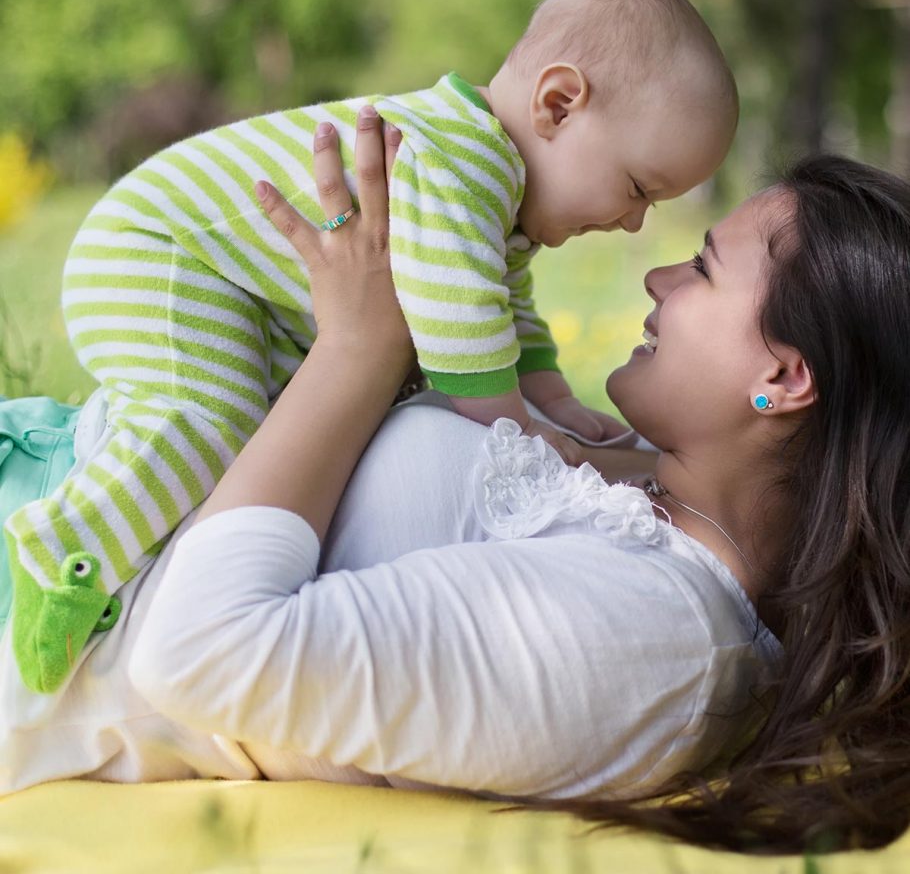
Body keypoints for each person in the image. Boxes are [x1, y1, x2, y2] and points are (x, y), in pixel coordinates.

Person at [5, 115, 909, 853]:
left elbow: (199, 651)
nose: (660, 274)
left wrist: (358, 348)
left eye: (705, 267)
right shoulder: (651, 492)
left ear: (787, 378)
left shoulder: (657, 641)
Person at [3, 0, 739, 694]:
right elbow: (462, 331)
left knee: (251, 428)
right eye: (639, 187)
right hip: (161, 254)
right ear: (558, 104)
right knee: (212, 416)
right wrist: (522, 433)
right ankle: (70, 547)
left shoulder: (495, 189)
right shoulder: (461, 163)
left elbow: (502, 304)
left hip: (216, 274)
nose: (636, 222)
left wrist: (549, 394)